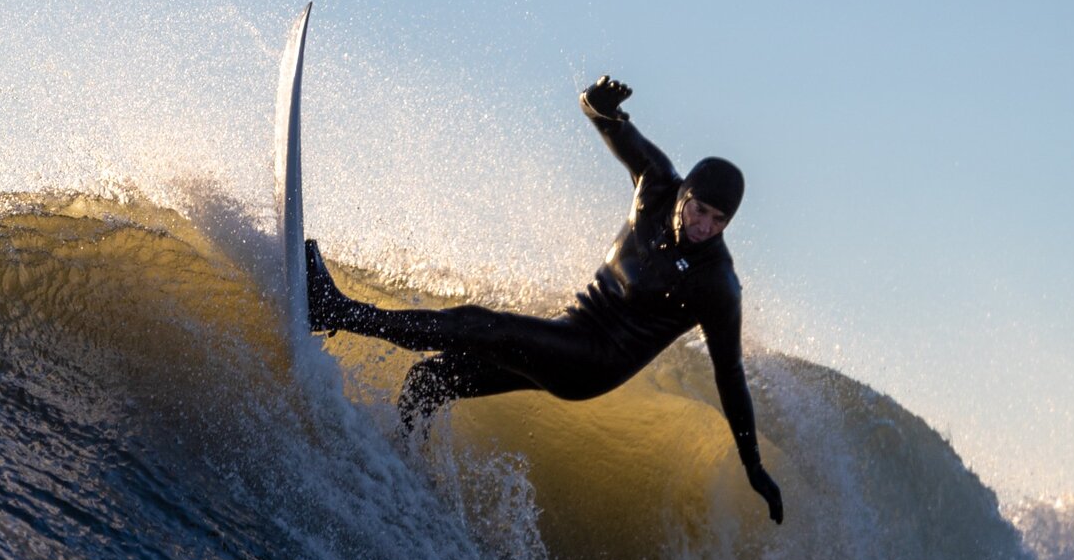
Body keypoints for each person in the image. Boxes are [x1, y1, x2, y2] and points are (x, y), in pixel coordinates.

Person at [305, 75, 784, 525]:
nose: (704, 228)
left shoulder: (716, 284)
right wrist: (603, 103)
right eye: (700, 210)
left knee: (483, 327)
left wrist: (753, 466)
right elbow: (597, 113)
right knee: (429, 381)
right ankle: (403, 486)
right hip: (571, 329)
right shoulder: (656, 182)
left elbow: (730, 374)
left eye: (719, 222)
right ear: (685, 193)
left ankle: (336, 312)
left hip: (593, 363)